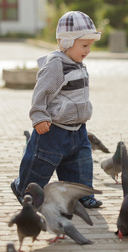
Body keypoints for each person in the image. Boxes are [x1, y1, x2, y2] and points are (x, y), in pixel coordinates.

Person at [11, 11, 102, 208]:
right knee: (40, 164)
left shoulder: (77, 64)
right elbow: (41, 93)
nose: (88, 50)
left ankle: (81, 194)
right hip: (53, 130)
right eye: (84, 45)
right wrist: (39, 116)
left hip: (78, 129)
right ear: (67, 42)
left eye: (90, 46)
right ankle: (25, 190)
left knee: (81, 164)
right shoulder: (56, 65)